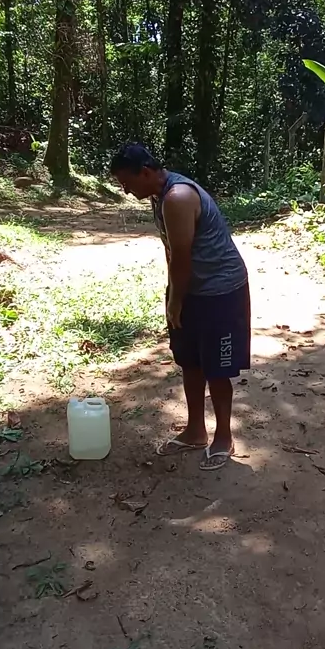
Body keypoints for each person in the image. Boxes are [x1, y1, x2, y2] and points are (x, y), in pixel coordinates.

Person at [110, 143, 251, 472]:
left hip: (221, 292)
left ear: (146, 172)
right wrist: (174, 294)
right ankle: (195, 431)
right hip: (191, 289)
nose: (125, 190)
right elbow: (171, 251)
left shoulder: (178, 197)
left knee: (217, 369)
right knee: (190, 362)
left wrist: (175, 301)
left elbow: (183, 257)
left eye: (127, 182)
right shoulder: (158, 196)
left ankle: (224, 437)